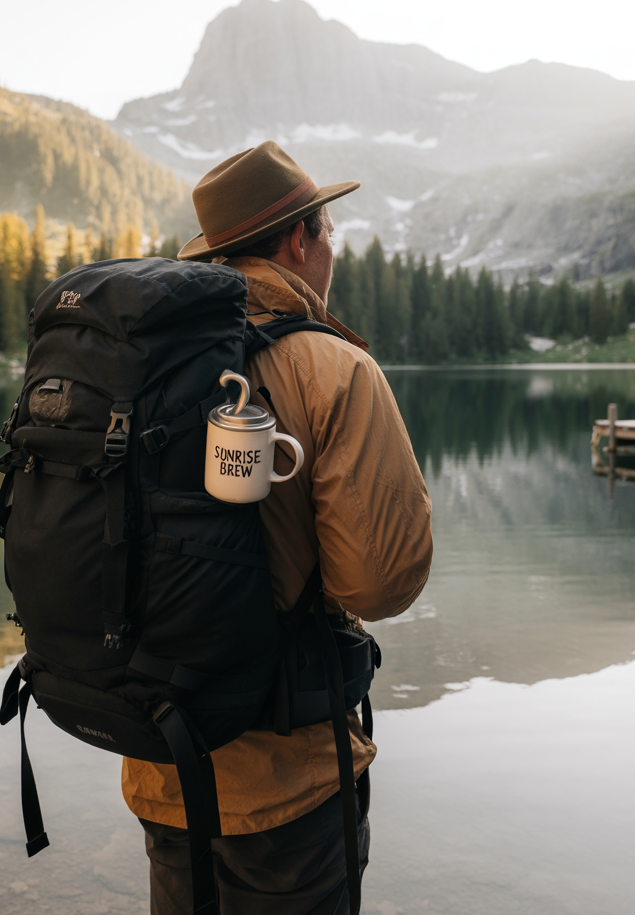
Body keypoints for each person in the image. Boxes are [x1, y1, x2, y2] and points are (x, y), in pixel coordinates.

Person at [121, 140, 433, 914]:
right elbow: (380, 581)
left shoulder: (140, 367)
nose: (332, 251)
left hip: (161, 762)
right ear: (300, 239)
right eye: (330, 233)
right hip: (290, 780)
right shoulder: (331, 368)